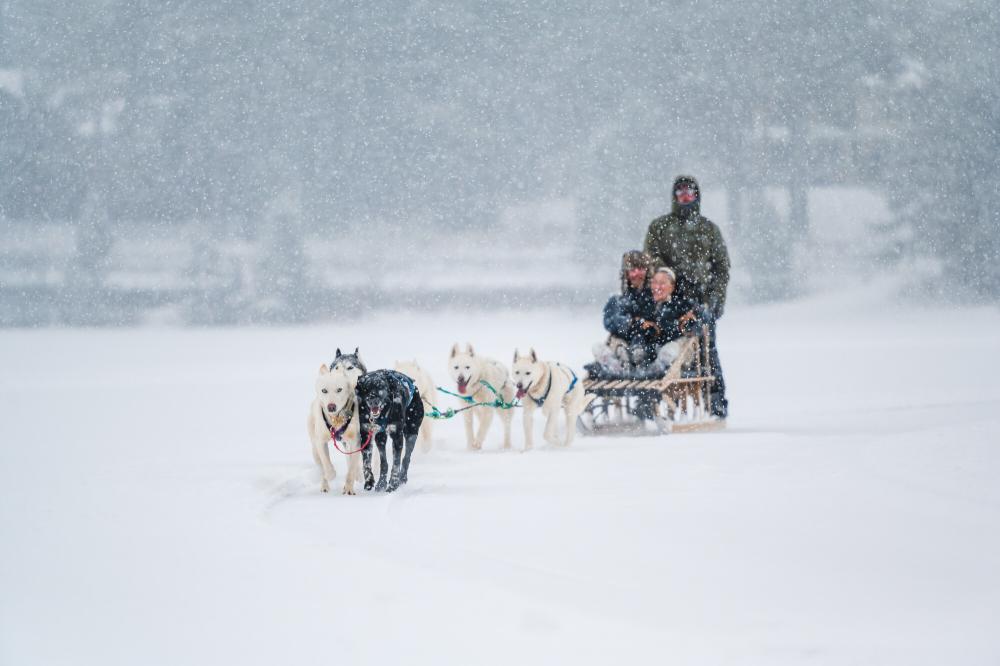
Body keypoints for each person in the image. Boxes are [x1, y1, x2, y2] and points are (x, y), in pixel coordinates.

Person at [643, 175, 730, 418]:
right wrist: (671, 279)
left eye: (689, 193)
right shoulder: (659, 227)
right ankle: (650, 401)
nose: (685, 197)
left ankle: (716, 403)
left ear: (696, 196)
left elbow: (721, 268)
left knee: (706, 353)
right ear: (674, 196)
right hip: (670, 301)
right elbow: (652, 258)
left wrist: (714, 301)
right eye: (680, 193)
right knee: (660, 347)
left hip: (700, 302)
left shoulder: (709, 230)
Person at [593, 250, 657, 373]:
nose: (636, 274)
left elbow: (660, 320)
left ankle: (638, 358)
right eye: (632, 270)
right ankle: (621, 359)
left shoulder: (655, 296)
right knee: (613, 344)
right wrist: (629, 322)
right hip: (622, 341)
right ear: (626, 274)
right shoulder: (618, 299)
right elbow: (608, 322)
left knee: (642, 342)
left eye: (641, 269)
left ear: (647, 271)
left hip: (647, 343)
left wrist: (646, 325)